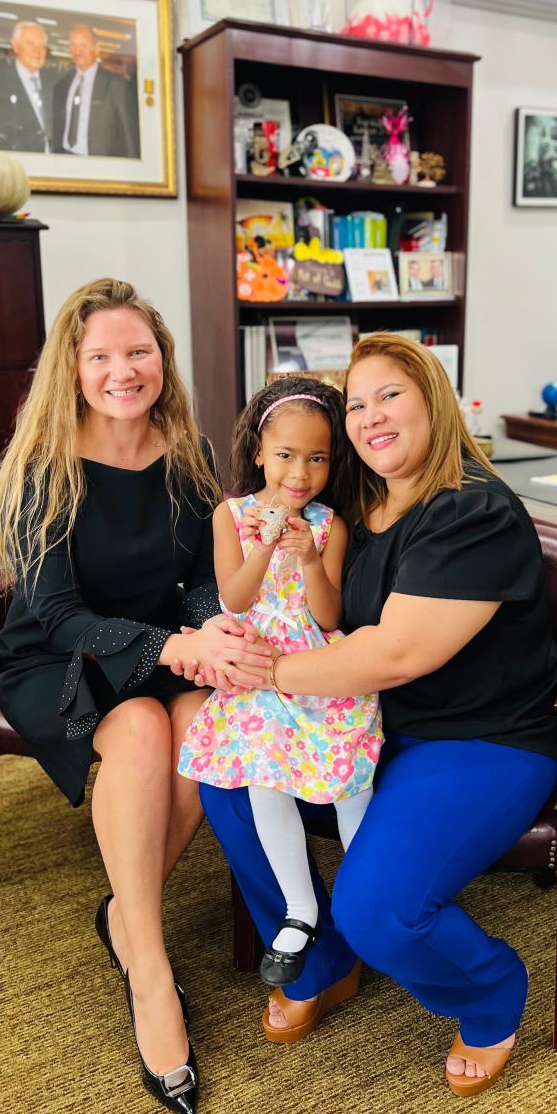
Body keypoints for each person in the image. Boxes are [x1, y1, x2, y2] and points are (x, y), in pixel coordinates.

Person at [187, 333, 557, 1097]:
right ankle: (323, 961)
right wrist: (220, 634)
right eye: (356, 403)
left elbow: (393, 653)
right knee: (227, 779)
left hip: (478, 739)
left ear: (434, 399)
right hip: (371, 721)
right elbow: (282, 597)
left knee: (380, 905)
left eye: (390, 394)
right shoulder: (356, 507)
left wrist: (260, 676)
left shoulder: (472, 511)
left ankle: (490, 992)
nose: (370, 416)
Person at [0, 278, 274, 1114]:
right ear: (71, 369)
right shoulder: (42, 468)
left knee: (201, 721)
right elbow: (58, 615)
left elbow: (193, 582)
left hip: (156, 644)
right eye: (102, 355)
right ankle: (149, 970)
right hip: (58, 655)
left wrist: (210, 636)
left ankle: (123, 911)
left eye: (138, 351)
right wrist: (175, 646)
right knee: (146, 731)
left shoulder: (186, 454)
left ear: (162, 358)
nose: (124, 370)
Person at [176, 378, 382, 987]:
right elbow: (235, 598)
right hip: (258, 665)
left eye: (317, 458)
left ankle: (366, 892)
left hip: (316, 664)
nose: (301, 472)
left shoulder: (329, 526)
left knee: (349, 777)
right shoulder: (230, 516)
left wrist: (311, 559)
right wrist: (266, 545)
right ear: (260, 452)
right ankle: (300, 907)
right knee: (265, 776)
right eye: (287, 454)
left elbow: (328, 617)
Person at [52, 23, 140, 158]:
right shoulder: (62, 84)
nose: (78, 51)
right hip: (65, 159)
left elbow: (129, 134)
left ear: (97, 48)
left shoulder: (116, 84)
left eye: (83, 45)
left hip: (101, 164)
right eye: (73, 45)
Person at [0, 20, 55, 153]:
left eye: (42, 46)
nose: (37, 51)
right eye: (30, 43)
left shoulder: (54, 82)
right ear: (15, 46)